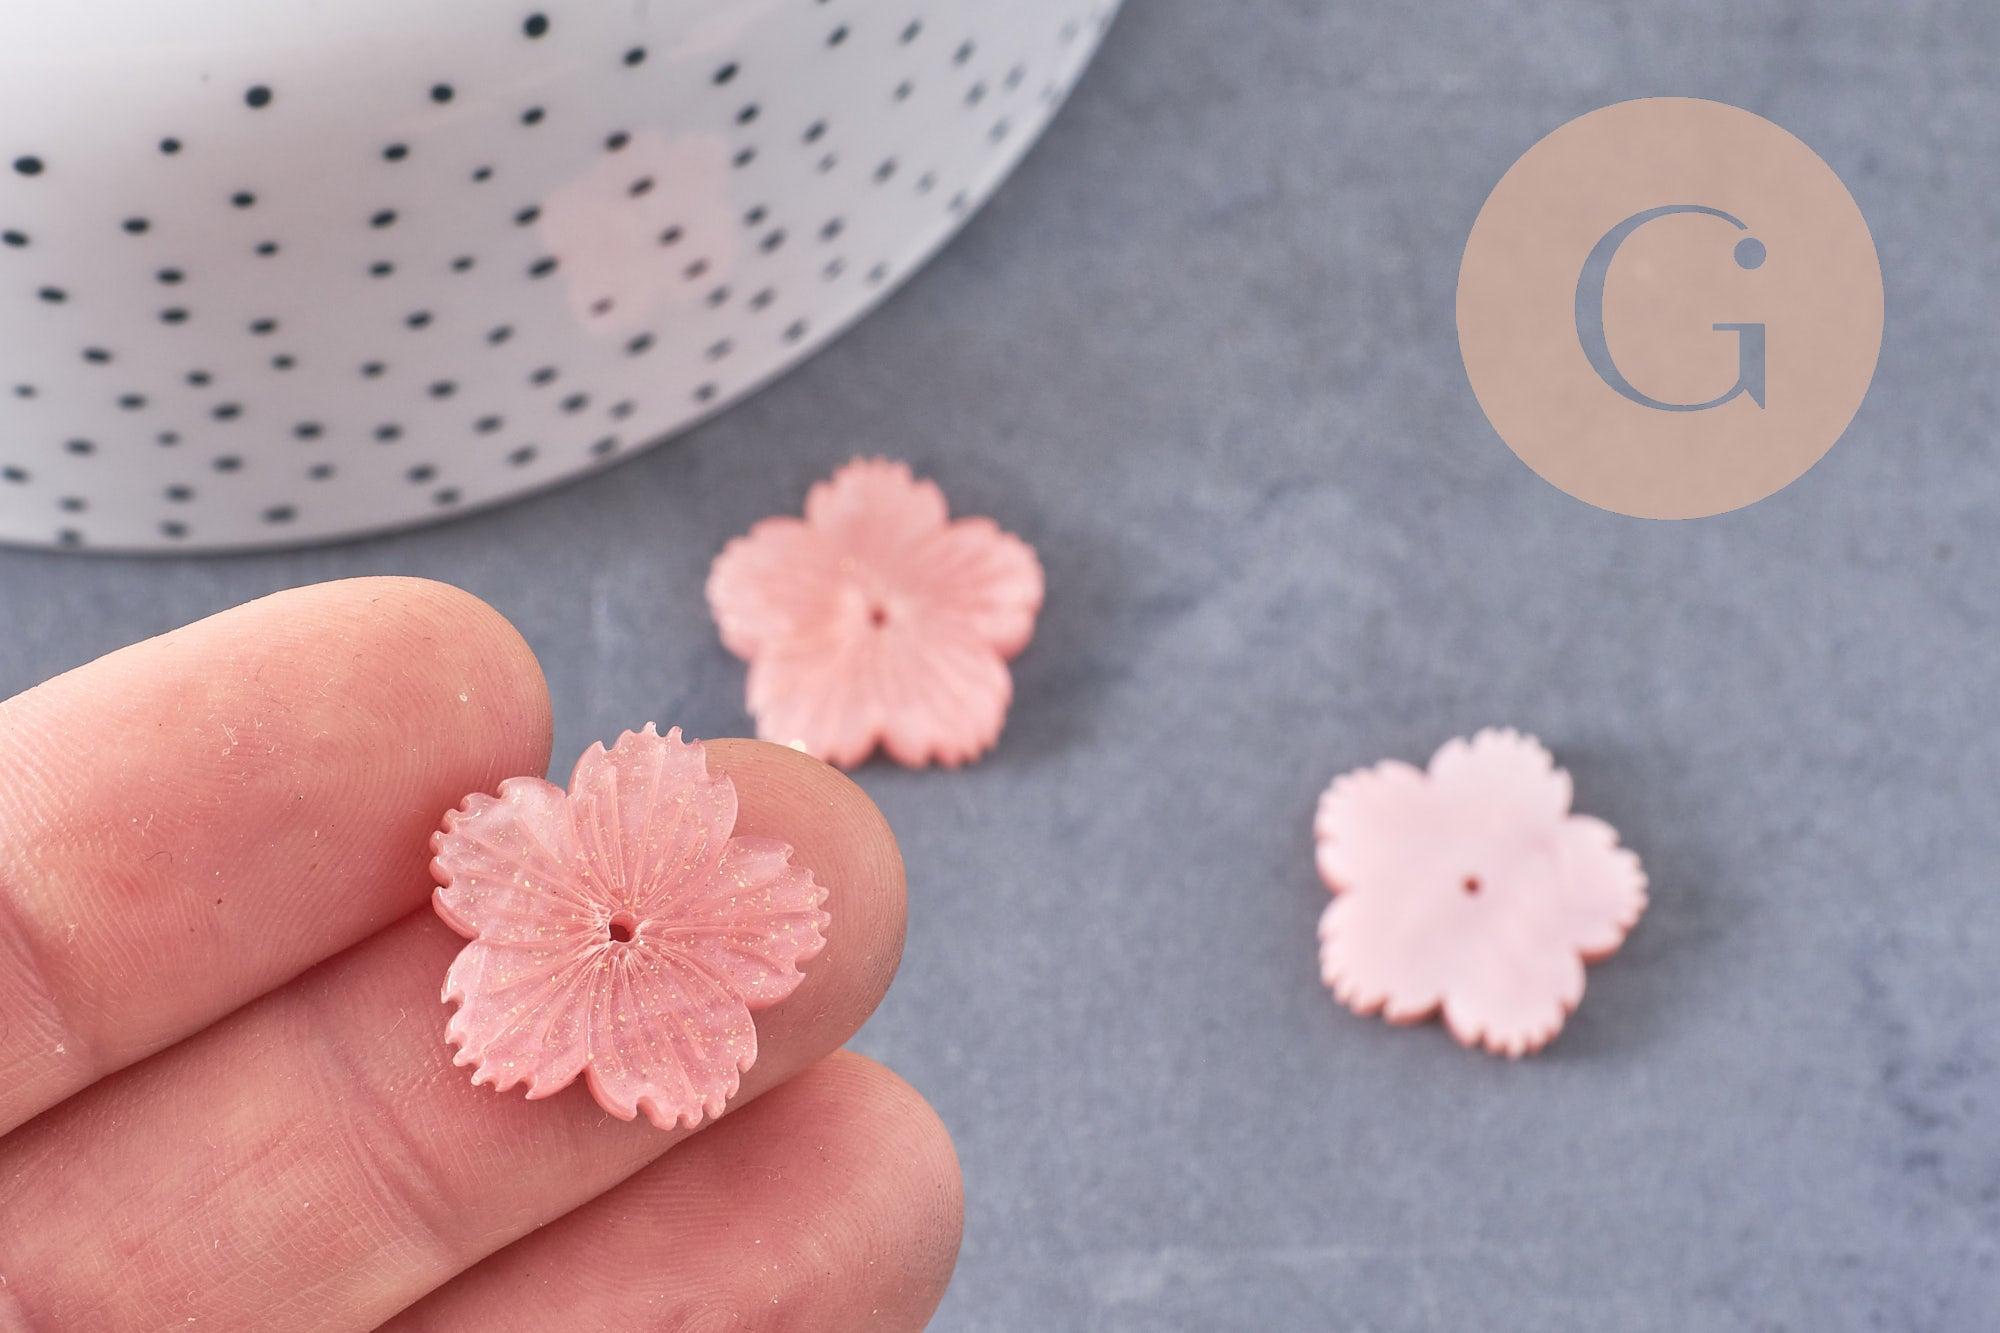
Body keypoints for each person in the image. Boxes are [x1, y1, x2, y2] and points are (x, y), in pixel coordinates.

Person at [0, 577, 963, 1331]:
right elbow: (487, 863)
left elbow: (777, 923)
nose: (622, 928)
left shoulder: (726, 931)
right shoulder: (506, 873)